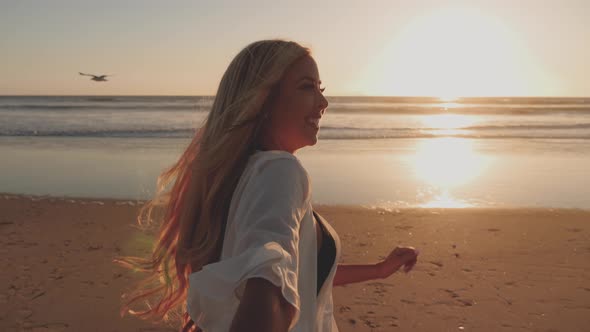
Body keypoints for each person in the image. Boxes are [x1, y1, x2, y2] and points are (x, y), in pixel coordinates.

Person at [118, 39, 419, 332]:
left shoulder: (241, 176)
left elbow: (297, 272)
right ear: (262, 100)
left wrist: (379, 269)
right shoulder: (280, 172)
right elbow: (269, 283)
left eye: (320, 89)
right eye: (306, 87)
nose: (324, 103)